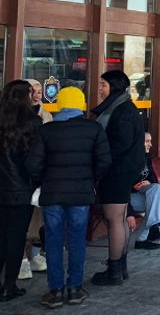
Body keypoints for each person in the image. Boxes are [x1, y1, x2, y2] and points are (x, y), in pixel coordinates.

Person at [25, 87, 111, 308]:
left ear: (60, 104)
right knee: (76, 240)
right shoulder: (93, 129)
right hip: (81, 192)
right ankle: (74, 288)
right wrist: (90, 179)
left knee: (53, 241)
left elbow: (33, 164)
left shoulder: (47, 130)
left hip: (52, 193)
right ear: (81, 105)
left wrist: (44, 181)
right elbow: (104, 161)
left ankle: (55, 291)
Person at [90, 70, 145, 286]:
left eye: (103, 84)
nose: (100, 89)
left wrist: (101, 164)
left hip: (117, 171)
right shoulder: (122, 107)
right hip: (122, 170)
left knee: (115, 219)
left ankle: (114, 270)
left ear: (114, 86)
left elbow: (118, 145)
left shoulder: (123, 111)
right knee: (120, 219)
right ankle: (119, 267)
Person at [0, 80, 39, 302]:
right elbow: (35, 161)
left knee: (2, 236)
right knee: (15, 238)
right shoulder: (33, 123)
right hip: (21, 190)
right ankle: (9, 285)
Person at [18, 79, 52, 280]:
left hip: (39, 176)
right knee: (22, 218)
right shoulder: (15, 118)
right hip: (22, 177)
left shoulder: (45, 114)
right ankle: (22, 258)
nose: (38, 94)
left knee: (36, 219)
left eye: (40, 90)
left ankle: (34, 255)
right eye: (34, 91)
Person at [127, 132, 160, 250]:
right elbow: (120, 189)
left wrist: (149, 182)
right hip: (126, 199)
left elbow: (154, 179)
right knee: (157, 202)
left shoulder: (146, 157)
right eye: (147, 141)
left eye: (150, 141)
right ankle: (147, 236)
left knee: (158, 190)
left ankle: (153, 230)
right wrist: (129, 213)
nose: (150, 144)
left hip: (142, 195)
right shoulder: (128, 161)